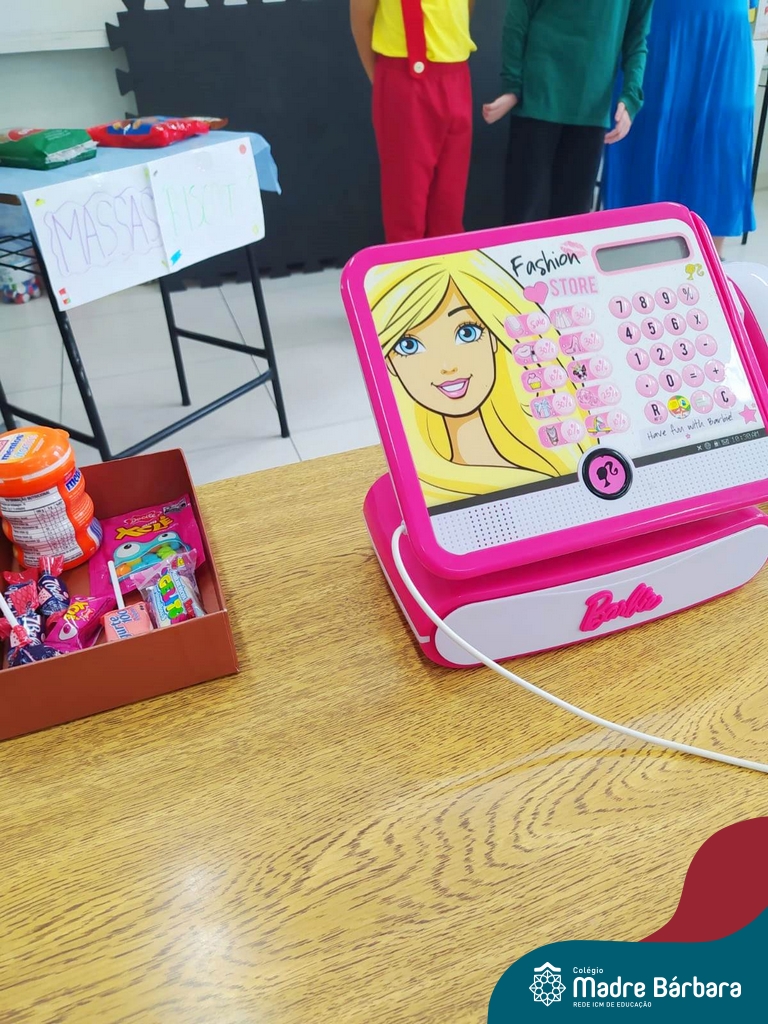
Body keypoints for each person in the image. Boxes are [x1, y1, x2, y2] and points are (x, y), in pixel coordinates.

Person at [365, 251, 595, 504]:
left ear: (495, 337)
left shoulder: (559, 454)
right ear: (390, 363)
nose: (447, 366)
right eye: (408, 345)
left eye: (467, 332)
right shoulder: (426, 489)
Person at [603, 0, 756, 256]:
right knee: (649, 141)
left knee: (718, 146)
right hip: (660, 30)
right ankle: (634, 257)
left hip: (722, 33)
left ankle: (709, 263)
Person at [482, 0, 654, 226]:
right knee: (520, 220)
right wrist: (512, 86)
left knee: (571, 227)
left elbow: (637, 37)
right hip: (538, 98)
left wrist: (631, 97)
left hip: (591, 108)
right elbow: (519, 14)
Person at [350, 0, 475, 243]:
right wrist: (385, 81)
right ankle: (408, 268)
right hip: (405, 78)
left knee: (449, 209)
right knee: (407, 211)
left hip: (457, 75)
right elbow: (361, 20)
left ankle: (445, 266)